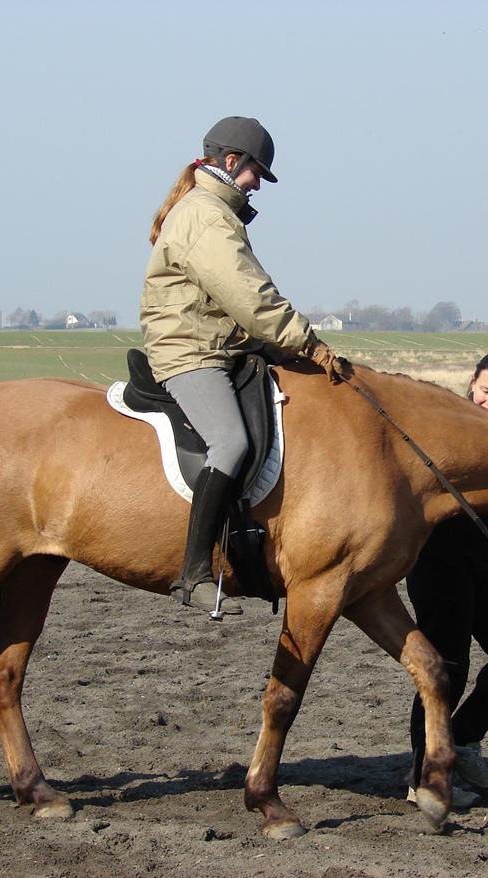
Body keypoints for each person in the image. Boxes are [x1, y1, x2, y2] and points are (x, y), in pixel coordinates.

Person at [140, 116, 344, 616]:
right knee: (230, 442)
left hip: (217, 342)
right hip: (190, 351)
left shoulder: (213, 210)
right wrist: (306, 342)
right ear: (232, 163)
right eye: (257, 173)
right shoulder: (205, 216)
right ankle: (193, 568)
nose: (257, 184)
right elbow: (248, 296)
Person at [406, 350, 488, 807]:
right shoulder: (442, 430)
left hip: (485, 569)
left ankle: (461, 740)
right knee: (446, 668)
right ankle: (422, 775)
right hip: (436, 562)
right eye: (485, 391)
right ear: (471, 383)